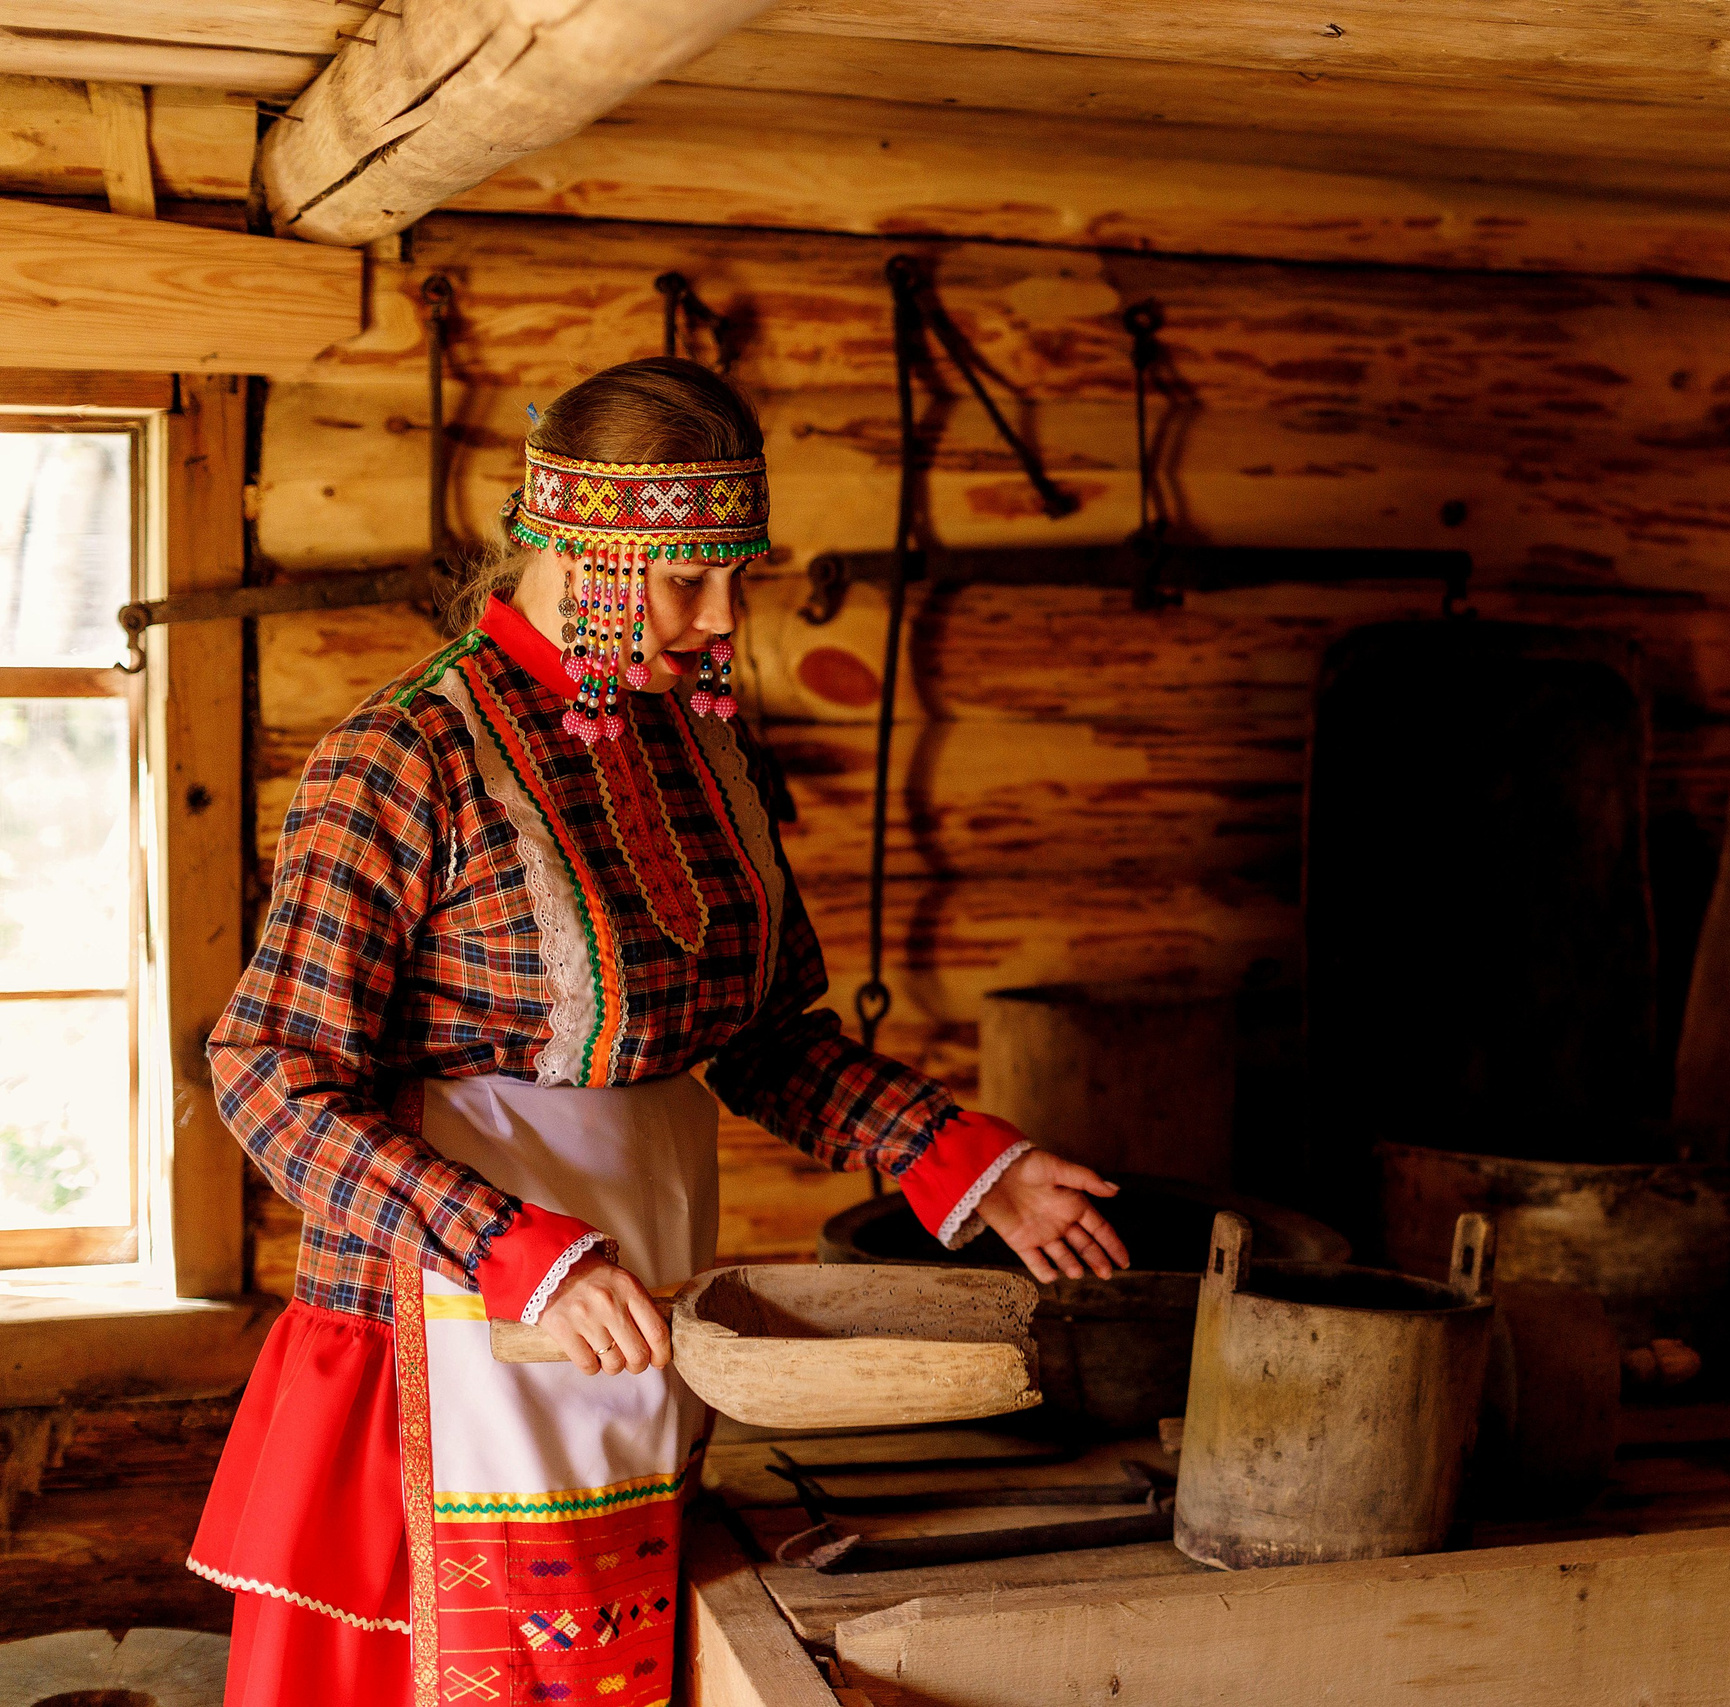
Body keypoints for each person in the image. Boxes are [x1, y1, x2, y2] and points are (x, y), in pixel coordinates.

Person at [187, 358, 1129, 1705]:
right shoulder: (406, 757)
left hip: (644, 1314)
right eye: (687, 578)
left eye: (737, 575)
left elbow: (763, 1037)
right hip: (454, 1336)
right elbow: (268, 1075)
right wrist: (513, 1253)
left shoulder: (704, 750)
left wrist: (964, 1160)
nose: (723, 618)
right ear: (581, 551)